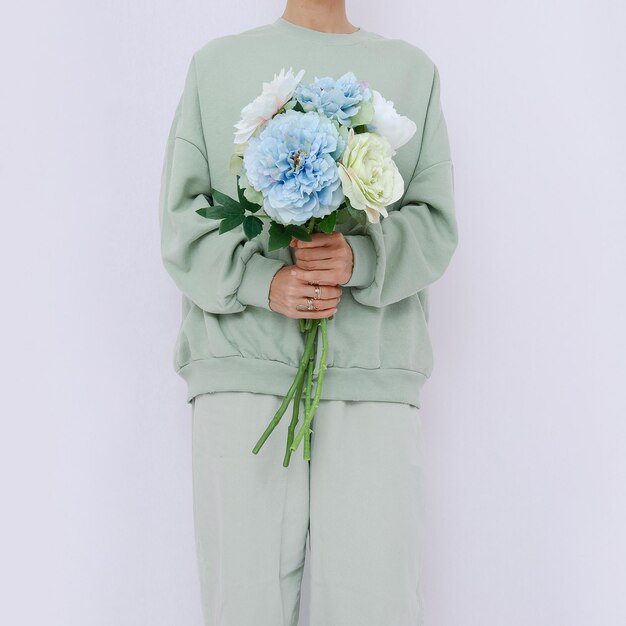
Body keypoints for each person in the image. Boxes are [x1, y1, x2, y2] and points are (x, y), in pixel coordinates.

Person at [158, 1, 458, 624]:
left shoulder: (411, 72)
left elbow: (434, 224)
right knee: (243, 606)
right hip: (242, 373)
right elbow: (182, 221)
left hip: (373, 378)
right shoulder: (216, 67)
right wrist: (263, 282)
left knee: (375, 606)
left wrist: (360, 258)